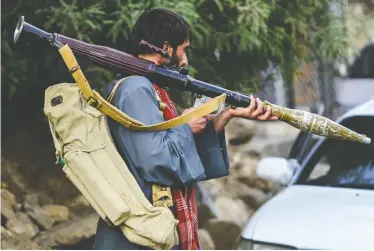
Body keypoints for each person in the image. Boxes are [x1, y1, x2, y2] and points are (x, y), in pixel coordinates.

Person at [94, 8, 277, 250]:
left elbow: (177, 157)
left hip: (152, 232)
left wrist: (225, 115)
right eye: (184, 49)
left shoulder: (150, 87)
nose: (185, 60)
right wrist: (186, 126)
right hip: (138, 237)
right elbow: (157, 162)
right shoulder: (135, 89)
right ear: (167, 47)